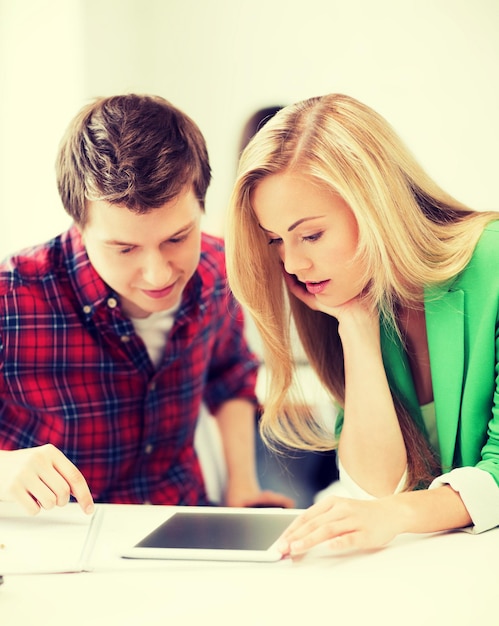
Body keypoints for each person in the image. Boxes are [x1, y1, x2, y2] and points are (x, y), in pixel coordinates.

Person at [225, 92, 499, 556]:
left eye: (311, 235)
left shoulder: (492, 262)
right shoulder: (353, 294)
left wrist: (398, 514)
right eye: (275, 240)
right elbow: (376, 488)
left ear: (377, 206)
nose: (292, 263)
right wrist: (354, 327)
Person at [0, 93, 294, 516]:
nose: (159, 275)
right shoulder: (13, 298)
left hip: (181, 523)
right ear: (79, 226)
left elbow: (229, 375)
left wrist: (242, 487)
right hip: (56, 544)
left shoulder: (215, 269)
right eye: (124, 249)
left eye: (177, 238)